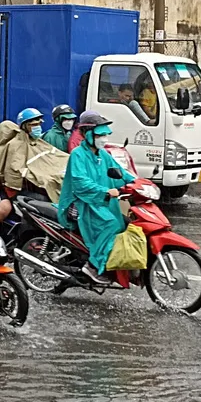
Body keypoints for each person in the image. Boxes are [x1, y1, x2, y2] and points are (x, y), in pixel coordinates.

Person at [57, 112, 135, 285]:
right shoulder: (78, 154)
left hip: (101, 201)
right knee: (111, 224)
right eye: (100, 135)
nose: (104, 138)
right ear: (87, 134)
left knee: (123, 222)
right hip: (81, 202)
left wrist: (137, 183)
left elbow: (119, 172)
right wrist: (106, 192)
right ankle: (92, 265)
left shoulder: (103, 154)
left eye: (105, 134)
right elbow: (80, 183)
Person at [0, 108, 68, 230]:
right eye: (34, 125)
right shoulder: (14, 145)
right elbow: (14, 171)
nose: (38, 127)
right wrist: (38, 177)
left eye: (39, 124)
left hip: (27, 187)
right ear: (25, 126)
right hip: (6, 189)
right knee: (5, 209)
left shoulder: (36, 141)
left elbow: (50, 158)